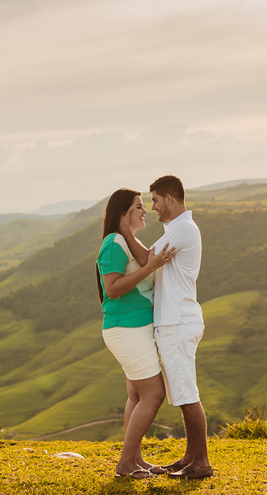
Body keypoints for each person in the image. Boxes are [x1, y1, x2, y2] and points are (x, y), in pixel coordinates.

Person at [96, 188, 177, 479]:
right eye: (138, 206)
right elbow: (112, 289)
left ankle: (135, 459)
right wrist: (151, 267)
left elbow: (146, 260)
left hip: (134, 329)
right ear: (123, 212)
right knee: (154, 394)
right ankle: (125, 464)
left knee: (136, 395)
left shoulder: (125, 240)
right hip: (126, 329)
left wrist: (131, 237)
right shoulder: (113, 242)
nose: (145, 211)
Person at [147, 174, 213, 480]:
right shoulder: (179, 229)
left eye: (155, 201)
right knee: (183, 393)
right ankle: (190, 457)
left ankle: (201, 463)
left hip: (178, 322)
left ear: (169, 199)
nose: (153, 208)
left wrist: (121, 234)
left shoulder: (182, 229)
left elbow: (147, 258)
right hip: (175, 321)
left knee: (187, 395)